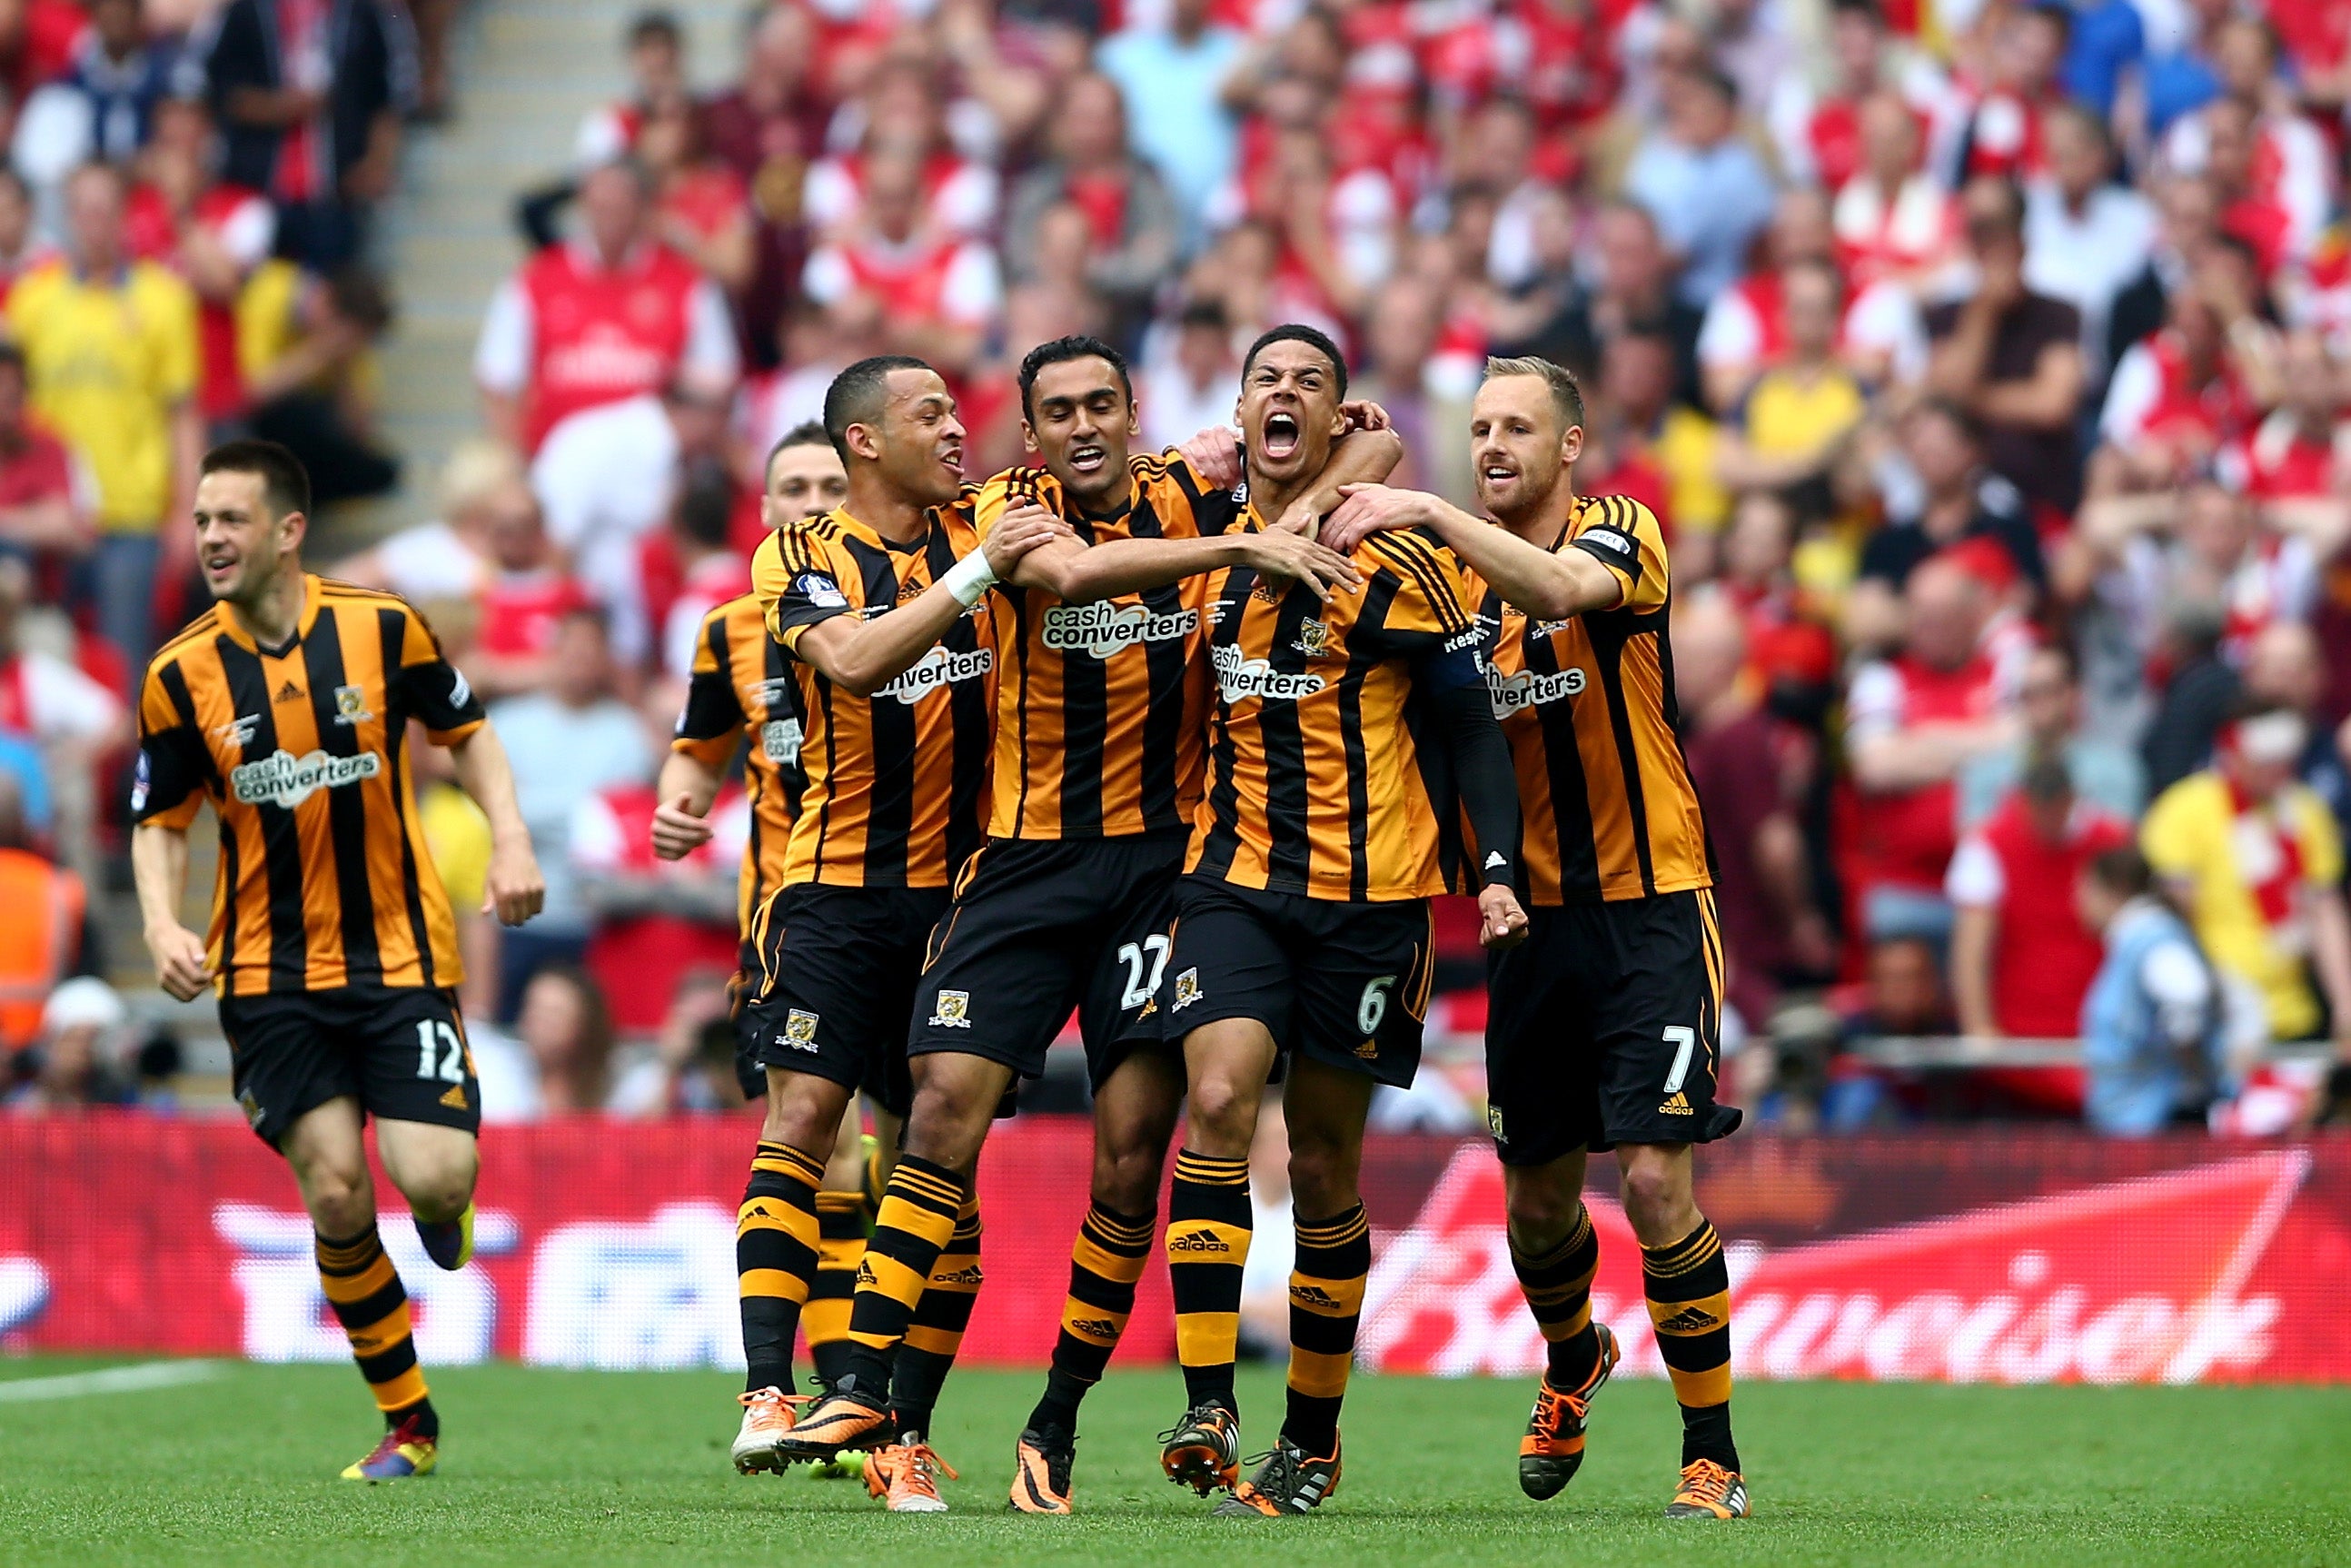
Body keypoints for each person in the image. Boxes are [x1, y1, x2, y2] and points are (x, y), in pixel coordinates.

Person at [894, 335, 1374, 1514]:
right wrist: (1241, 538)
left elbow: (1370, 447)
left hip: (1165, 870)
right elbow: (1062, 580)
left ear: (1134, 407)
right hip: (1022, 864)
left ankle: (1053, 1422)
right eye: (1057, 410)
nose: (1081, 425)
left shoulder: (1186, 480)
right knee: (944, 1110)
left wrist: (1308, 468)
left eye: (1100, 402)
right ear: (1031, 431)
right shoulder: (1008, 509)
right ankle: (895, 1416)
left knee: (1128, 1156)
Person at [1327, 354, 1751, 1521]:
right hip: (1525, 925)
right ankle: (1573, 1361)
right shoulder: (1448, 597)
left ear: (1570, 446)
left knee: (1658, 1177)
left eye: (1519, 426)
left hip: (1651, 905)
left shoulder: (1620, 530)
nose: (1494, 443)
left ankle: (1708, 1456)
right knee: (1536, 1206)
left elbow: (1564, 593)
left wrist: (1421, 502)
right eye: (1478, 428)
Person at [1114, 326, 1521, 1517]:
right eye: (1265, 382)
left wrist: (1491, 864)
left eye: (1310, 384)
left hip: (1373, 895)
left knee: (1332, 1162)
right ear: (1237, 411)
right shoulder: (1202, 541)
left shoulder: (1398, 554)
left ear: (1343, 416)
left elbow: (1467, 723)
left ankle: (1314, 1432)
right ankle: (1205, 1400)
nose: (1284, 397)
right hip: (1230, 877)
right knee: (1225, 1099)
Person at [130, 439, 545, 1481]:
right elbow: (158, 819)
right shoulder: (180, 673)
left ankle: (446, 1211)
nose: (213, 538)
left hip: (399, 955)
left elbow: (469, 733)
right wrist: (160, 924)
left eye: (232, 519)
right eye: (201, 520)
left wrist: (510, 839)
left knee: (437, 1178)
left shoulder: (380, 625)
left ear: (287, 530)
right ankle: (410, 1420)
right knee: (333, 1194)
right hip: (268, 976)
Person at [699, 355, 1067, 1505]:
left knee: (937, 1168)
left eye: (959, 412)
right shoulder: (799, 554)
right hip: (835, 889)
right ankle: (769, 1388)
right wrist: (972, 580)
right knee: (803, 1114)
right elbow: (855, 661)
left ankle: (894, 1425)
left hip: (968, 900)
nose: (959, 430)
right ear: (865, 443)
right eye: (930, 415)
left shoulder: (991, 512)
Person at [652, 422, 897, 1464]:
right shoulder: (728, 633)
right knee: (823, 1138)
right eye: (789, 486)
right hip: (787, 914)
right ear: (761, 512)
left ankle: (843, 1396)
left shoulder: (903, 612)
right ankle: (795, 1389)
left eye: (827, 485)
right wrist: (678, 804)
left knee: (882, 1164)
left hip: (911, 905)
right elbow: (697, 748)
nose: (807, 501)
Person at [7, 161, 201, 678]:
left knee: (126, 664)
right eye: (83, 208)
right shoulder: (33, 299)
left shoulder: (164, 299)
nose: (94, 220)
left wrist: (188, 510)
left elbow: (182, 414)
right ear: (68, 215)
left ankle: (132, 760)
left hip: (130, 515)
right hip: (49, 517)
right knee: (45, 660)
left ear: (124, 214)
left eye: (105, 207)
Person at [473, 158, 739, 455]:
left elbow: (715, 390)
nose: (607, 218)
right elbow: (498, 384)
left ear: (643, 209)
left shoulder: (688, 285)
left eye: (619, 206)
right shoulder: (535, 281)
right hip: (553, 465)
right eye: (599, 206)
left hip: (653, 469)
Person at [2141, 704, 2351, 1052]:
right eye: (2264, 757)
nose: (2277, 767)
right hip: (2216, 1019)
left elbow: (2324, 911)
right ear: (2232, 751)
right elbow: (2175, 917)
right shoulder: (2184, 808)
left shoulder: (2306, 811)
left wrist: (2346, 1005)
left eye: (2284, 756)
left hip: (2294, 1014)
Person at [483, 606, 656, 1018]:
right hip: (514, 915)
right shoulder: (508, 724)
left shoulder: (627, 734)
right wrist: (583, 808)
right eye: (572, 650)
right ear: (552, 652)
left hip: (595, 921)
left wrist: (532, 810)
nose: (581, 661)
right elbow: (495, 812)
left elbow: (620, 828)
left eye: (591, 652)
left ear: (606, 660)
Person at [1947, 756, 2134, 1106]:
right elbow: (1971, 951)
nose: (2047, 819)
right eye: (2038, 808)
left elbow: (2132, 935)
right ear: (2023, 800)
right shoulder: (1988, 845)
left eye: (2057, 807)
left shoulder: (2112, 842)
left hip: (2096, 1042)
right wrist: (1979, 1030)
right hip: (2019, 1048)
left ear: (2072, 799)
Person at [198, 0, 415, 267]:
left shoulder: (362, 11)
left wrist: (377, 162)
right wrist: (284, 107)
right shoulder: (246, 10)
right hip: (254, 193)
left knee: (330, 291)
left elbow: (388, 95)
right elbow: (220, 89)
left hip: (335, 197)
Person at [1923, 174, 2086, 514]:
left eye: (2004, 243)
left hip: (2041, 492)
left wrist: (1973, 398)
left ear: (2023, 246)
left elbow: (2052, 404)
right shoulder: (1947, 316)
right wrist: (1982, 313)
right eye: (1985, 245)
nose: (1996, 257)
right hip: (1965, 497)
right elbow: (1945, 397)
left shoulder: (2058, 314)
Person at [2076, 845, 2227, 1136]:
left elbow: (2188, 996)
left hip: (2158, 1127)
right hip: (2134, 1127)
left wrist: (2189, 1073)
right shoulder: (2135, 939)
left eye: (2086, 889)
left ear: (2113, 889)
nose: (2078, 900)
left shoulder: (2150, 936)